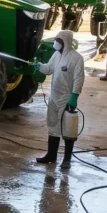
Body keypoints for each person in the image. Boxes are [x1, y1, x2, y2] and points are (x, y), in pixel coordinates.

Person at [34, 29, 84, 170]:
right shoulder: (56, 55)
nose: (56, 43)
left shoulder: (76, 58)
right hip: (54, 97)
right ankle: (51, 155)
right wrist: (39, 66)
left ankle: (67, 160)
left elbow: (79, 79)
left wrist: (74, 96)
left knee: (68, 129)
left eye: (59, 41)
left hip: (66, 98)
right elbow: (49, 69)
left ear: (66, 42)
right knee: (53, 126)